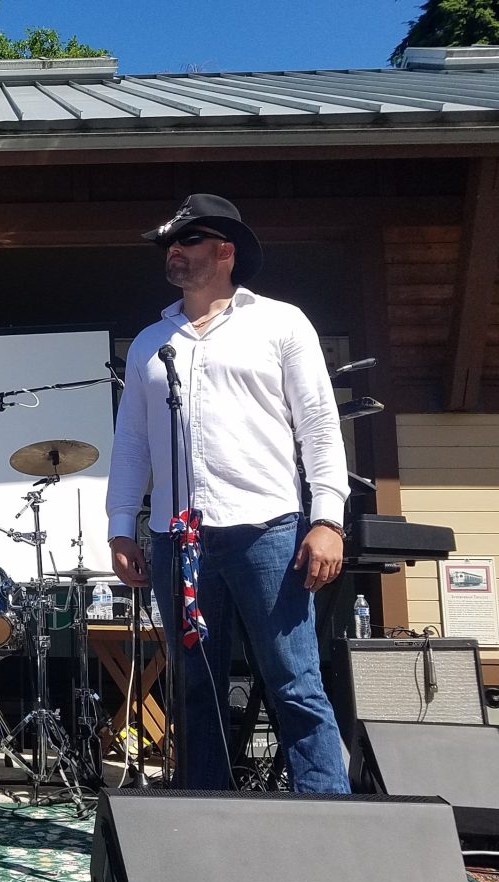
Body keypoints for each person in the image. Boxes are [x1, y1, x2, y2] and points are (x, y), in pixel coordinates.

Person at [106, 194, 350, 793]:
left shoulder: (281, 323)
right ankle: (207, 815)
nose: (175, 252)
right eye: (171, 244)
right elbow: (132, 440)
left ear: (226, 251)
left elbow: (319, 423)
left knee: (293, 678)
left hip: (267, 529)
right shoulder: (149, 343)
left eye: (188, 242)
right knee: (194, 688)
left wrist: (329, 519)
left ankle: (331, 819)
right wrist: (120, 523)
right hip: (176, 537)